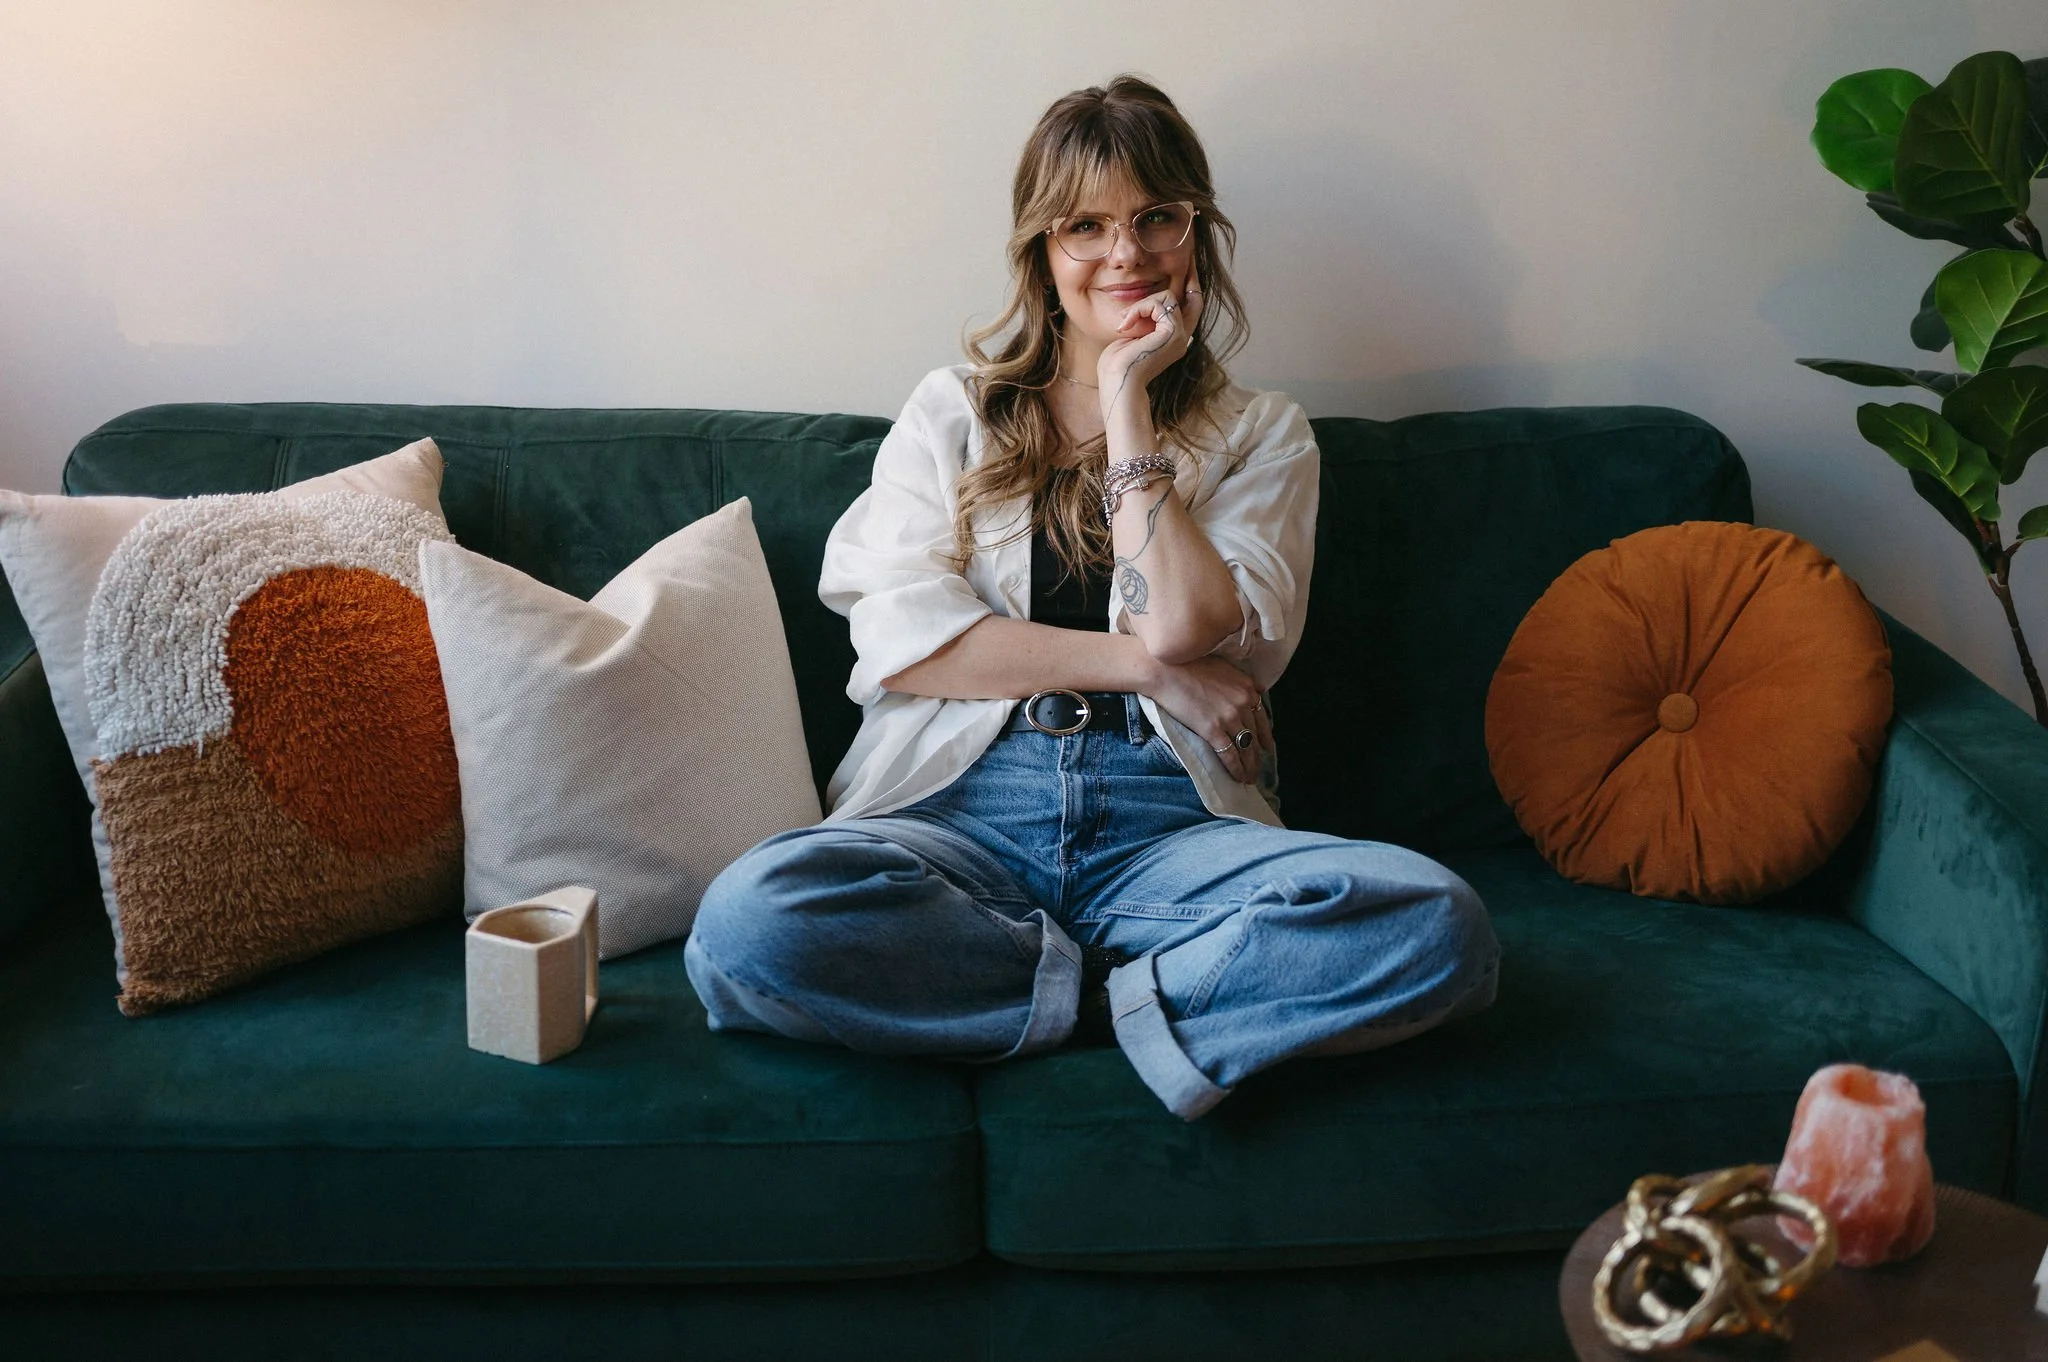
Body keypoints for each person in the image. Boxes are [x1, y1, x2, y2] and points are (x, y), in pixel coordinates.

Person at [684, 75, 1498, 1120]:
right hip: (957, 817)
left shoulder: (1262, 433)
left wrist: (1127, 399)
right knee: (750, 921)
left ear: (1197, 233)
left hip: (1172, 827)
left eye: (1157, 217)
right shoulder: (952, 412)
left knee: (1435, 923)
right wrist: (1150, 672)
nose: (1126, 253)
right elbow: (911, 644)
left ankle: (1071, 996)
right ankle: (1132, 999)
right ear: (1042, 249)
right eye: (1086, 226)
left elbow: (1189, 624)